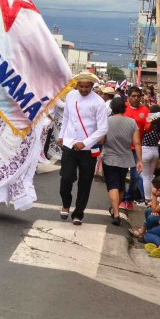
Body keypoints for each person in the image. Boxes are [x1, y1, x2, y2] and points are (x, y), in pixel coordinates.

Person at [57, 73, 109, 225]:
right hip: (69, 144)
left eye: (87, 87)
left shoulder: (98, 102)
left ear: (92, 86)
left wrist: (84, 143)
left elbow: (103, 129)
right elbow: (66, 117)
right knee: (66, 178)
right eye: (81, 86)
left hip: (89, 149)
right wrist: (61, 135)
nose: (84, 89)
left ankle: (78, 213)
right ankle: (66, 204)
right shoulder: (71, 96)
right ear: (76, 85)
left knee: (85, 183)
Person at [102, 98, 140, 226]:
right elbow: (137, 142)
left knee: (112, 184)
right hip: (126, 157)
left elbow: (101, 140)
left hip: (109, 157)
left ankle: (116, 213)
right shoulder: (132, 122)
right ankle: (114, 209)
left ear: (112, 108)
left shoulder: (106, 121)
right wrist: (139, 160)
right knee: (121, 184)